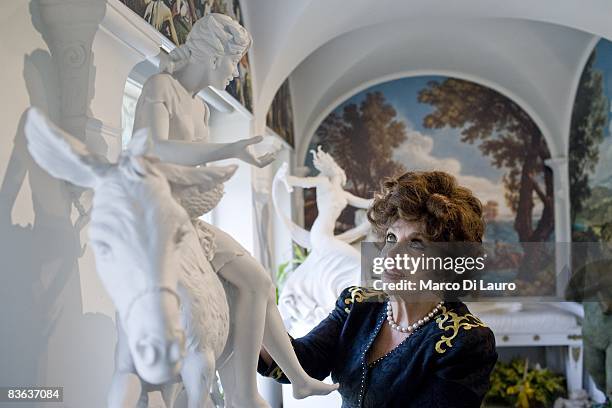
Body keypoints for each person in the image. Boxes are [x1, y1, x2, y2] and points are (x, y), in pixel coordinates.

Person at [132, 13, 337, 407]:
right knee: (253, 282)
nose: (235, 75)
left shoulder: (202, 110)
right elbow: (155, 149)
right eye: (234, 62)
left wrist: (223, 173)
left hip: (190, 217)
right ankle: (249, 393)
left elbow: (192, 166)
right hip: (159, 216)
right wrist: (229, 150)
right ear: (212, 56)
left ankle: (288, 381)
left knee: (259, 282)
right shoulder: (161, 87)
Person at [259, 171, 498, 407]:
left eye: (416, 243)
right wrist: (252, 312)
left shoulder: (465, 340)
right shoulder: (357, 304)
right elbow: (302, 363)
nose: (391, 254)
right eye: (392, 237)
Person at [272, 146, 372, 336]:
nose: (339, 171)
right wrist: (285, 179)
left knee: (344, 265)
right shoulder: (323, 182)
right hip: (321, 234)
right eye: (336, 167)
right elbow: (301, 182)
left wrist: (388, 201)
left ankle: (336, 303)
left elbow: (367, 204)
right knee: (356, 262)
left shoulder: (342, 193)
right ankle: (349, 299)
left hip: (327, 235)